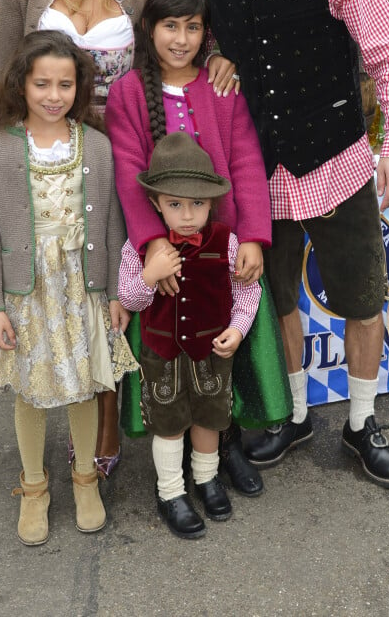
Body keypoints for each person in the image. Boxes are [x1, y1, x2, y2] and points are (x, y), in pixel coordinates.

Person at [188, 0, 389, 489]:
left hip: (338, 161)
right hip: (258, 174)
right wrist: (210, 60)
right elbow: (176, 52)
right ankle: (293, 415)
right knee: (279, 299)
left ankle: (362, 421)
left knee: (362, 298)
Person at [0, 0, 148, 480]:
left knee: (102, 296)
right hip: (40, 156)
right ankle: (37, 440)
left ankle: (102, 430)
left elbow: (171, 70)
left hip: (116, 159)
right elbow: (3, 81)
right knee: (43, 297)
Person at [105, 0, 293, 497]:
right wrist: (151, 244)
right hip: (168, 251)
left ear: (206, 33)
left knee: (223, 352)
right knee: (175, 358)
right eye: (171, 26)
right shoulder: (127, 94)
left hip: (222, 246)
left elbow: (247, 163)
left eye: (193, 27)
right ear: (149, 29)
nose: (182, 39)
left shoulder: (221, 87)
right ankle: (178, 461)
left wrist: (253, 236)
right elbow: (128, 172)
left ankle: (223, 446)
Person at [0, 31, 138, 546]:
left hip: (81, 289)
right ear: (21, 85)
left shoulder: (98, 146)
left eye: (65, 84)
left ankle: (86, 478)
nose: (53, 94)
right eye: (42, 83)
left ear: (79, 87)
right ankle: (35, 486)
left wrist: (113, 295)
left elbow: (111, 224)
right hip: (29, 294)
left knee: (85, 385)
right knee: (33, 393)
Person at [117, 132, 262, 539]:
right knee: (169, 424)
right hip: (162, 355)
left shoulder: (226, 242)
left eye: (197, 204)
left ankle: (206, 478)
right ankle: (170, 492)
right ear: (155, 204)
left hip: (212, 354)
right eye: (174, 204)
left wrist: (237, 328)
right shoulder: (141, 248)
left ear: (211, 203)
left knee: (209, 419)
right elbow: (130, 298)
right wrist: (150, 275)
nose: (186, 215)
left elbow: (248, 291)